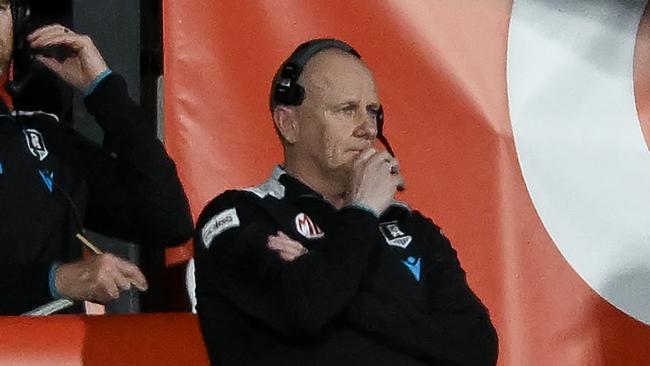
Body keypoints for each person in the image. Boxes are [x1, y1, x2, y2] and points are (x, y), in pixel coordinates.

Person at [194, 39, 498, 365]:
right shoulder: (240, 215)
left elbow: (477, 348)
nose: (368, 129)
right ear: (289, 123)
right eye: (346, 110)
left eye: (372, 112)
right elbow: (304, 310)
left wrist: (340, 292)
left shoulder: (410, 227)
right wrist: (362, 212)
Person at [0, 0, 193, 315]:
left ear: (20, 22)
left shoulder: (43, 136)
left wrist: (103, 89)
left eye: (0, 7)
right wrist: (55, 280)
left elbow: (167, 219)